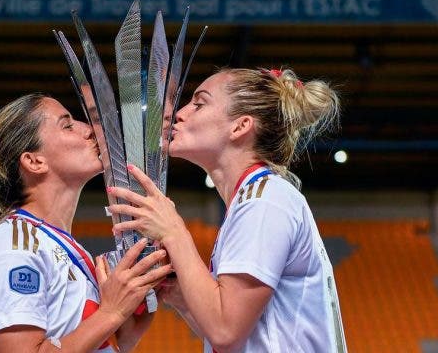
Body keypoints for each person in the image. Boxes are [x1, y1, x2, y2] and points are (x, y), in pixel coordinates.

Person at [107, 68, 348, 352]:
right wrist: (180, 294)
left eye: (199, 103)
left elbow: (225, 331)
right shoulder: (255, 199)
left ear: (240, 126)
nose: (180, 113)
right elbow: (236, 336)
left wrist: (175, 232)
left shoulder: (264, 200)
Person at [0, 93, 172, 352]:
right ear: (34, 161)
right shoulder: (15, 244)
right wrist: (111, 313)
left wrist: (129, 325)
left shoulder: (65, 248)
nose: (89, 130)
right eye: (67, 125)